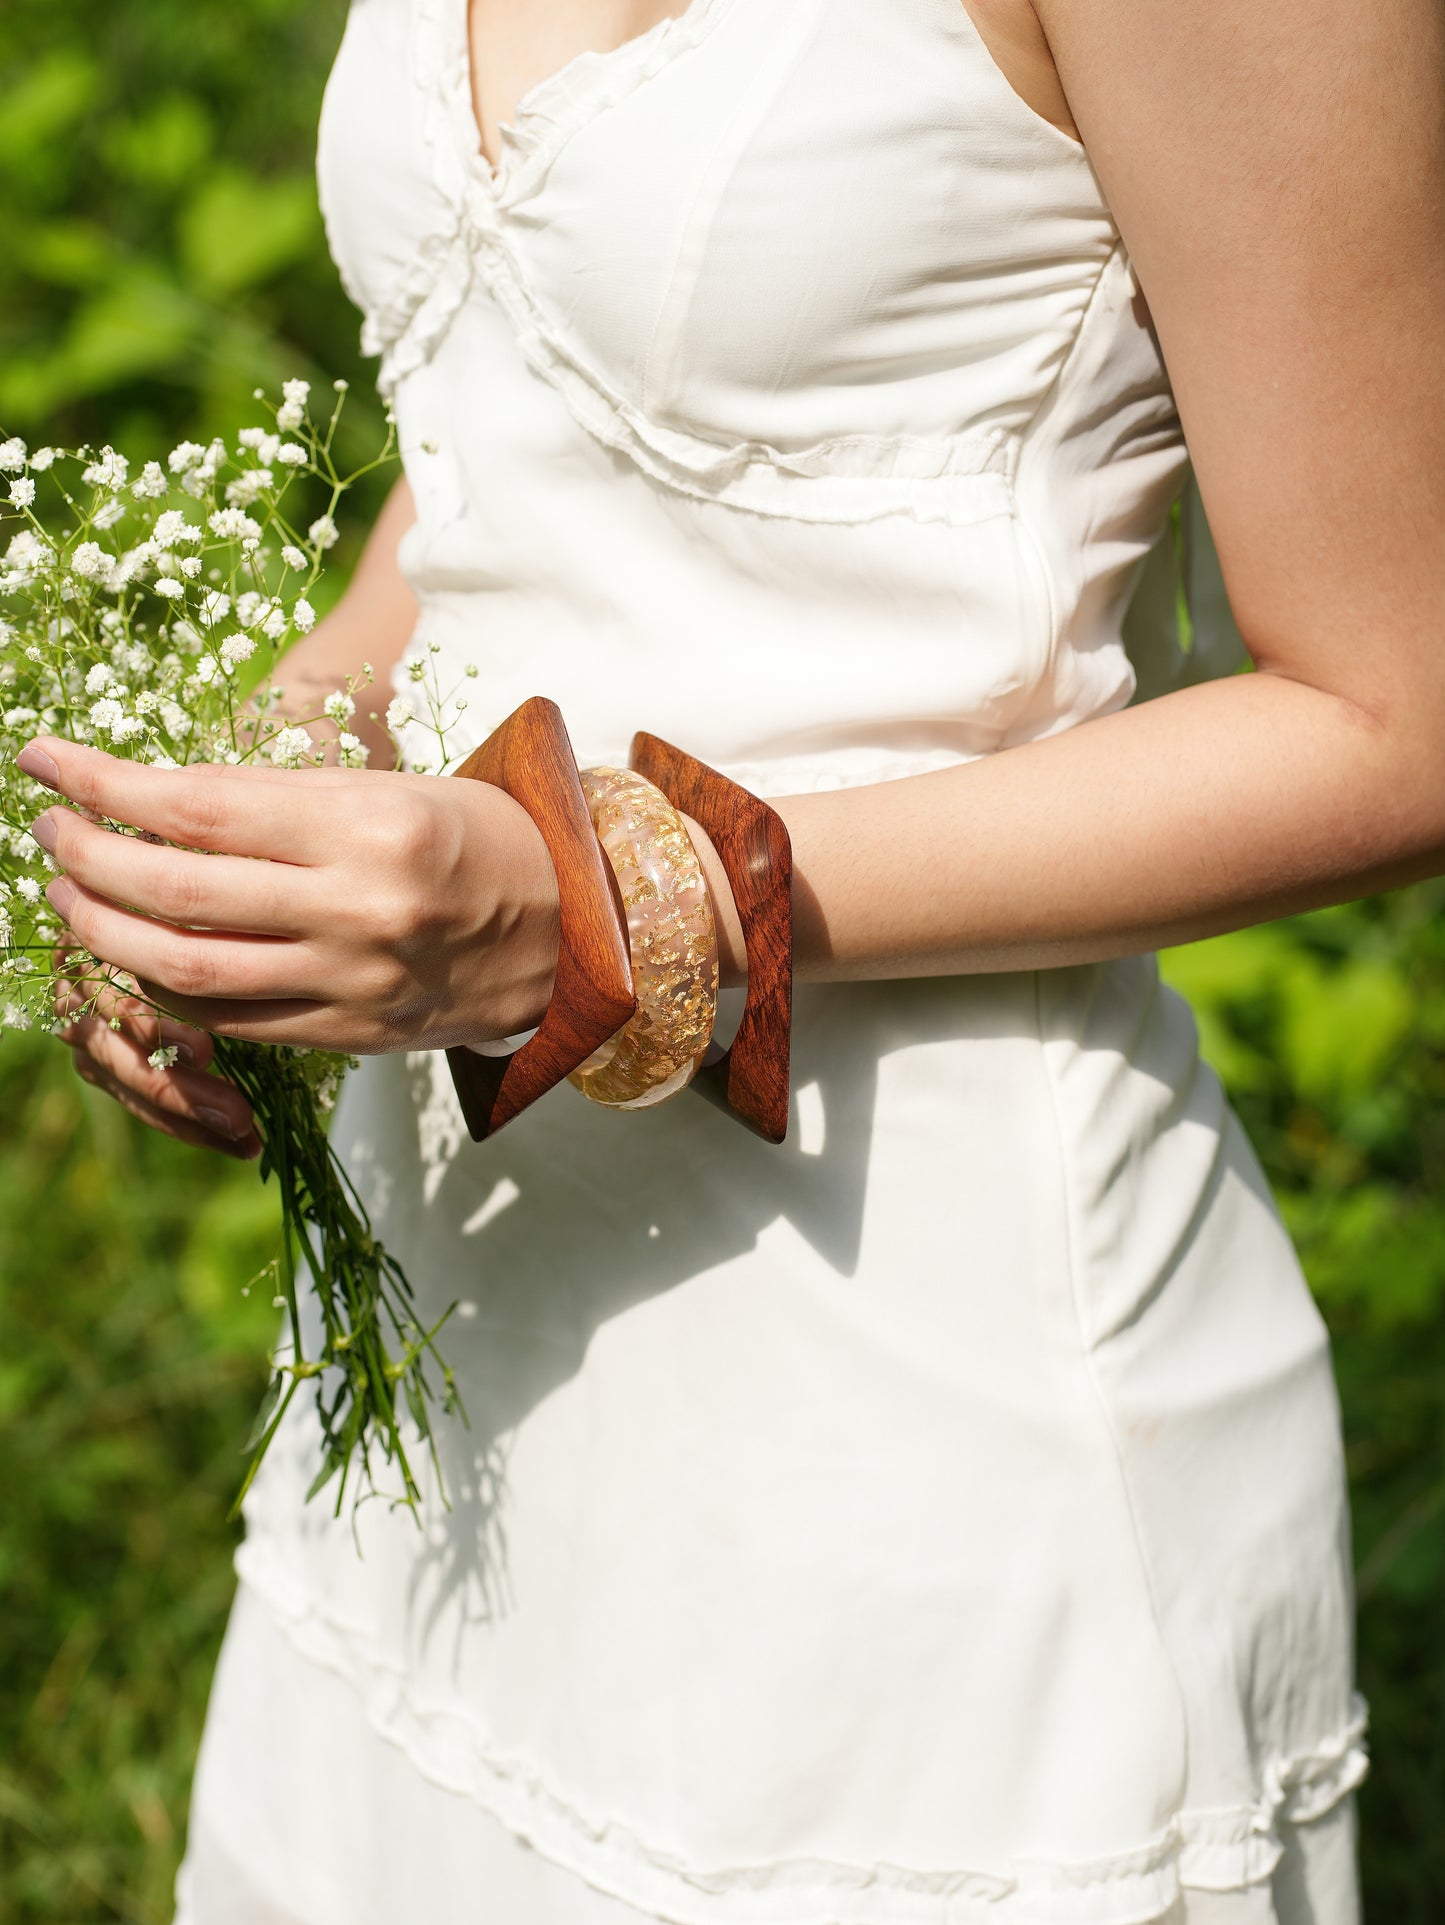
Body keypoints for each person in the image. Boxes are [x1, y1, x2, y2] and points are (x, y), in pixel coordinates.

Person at [21, 0, 1445, 1918]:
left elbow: (1398, 708)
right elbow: (500, 418)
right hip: (454, 1375)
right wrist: (253, 806)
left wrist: (601, 912)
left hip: (927, 1395)